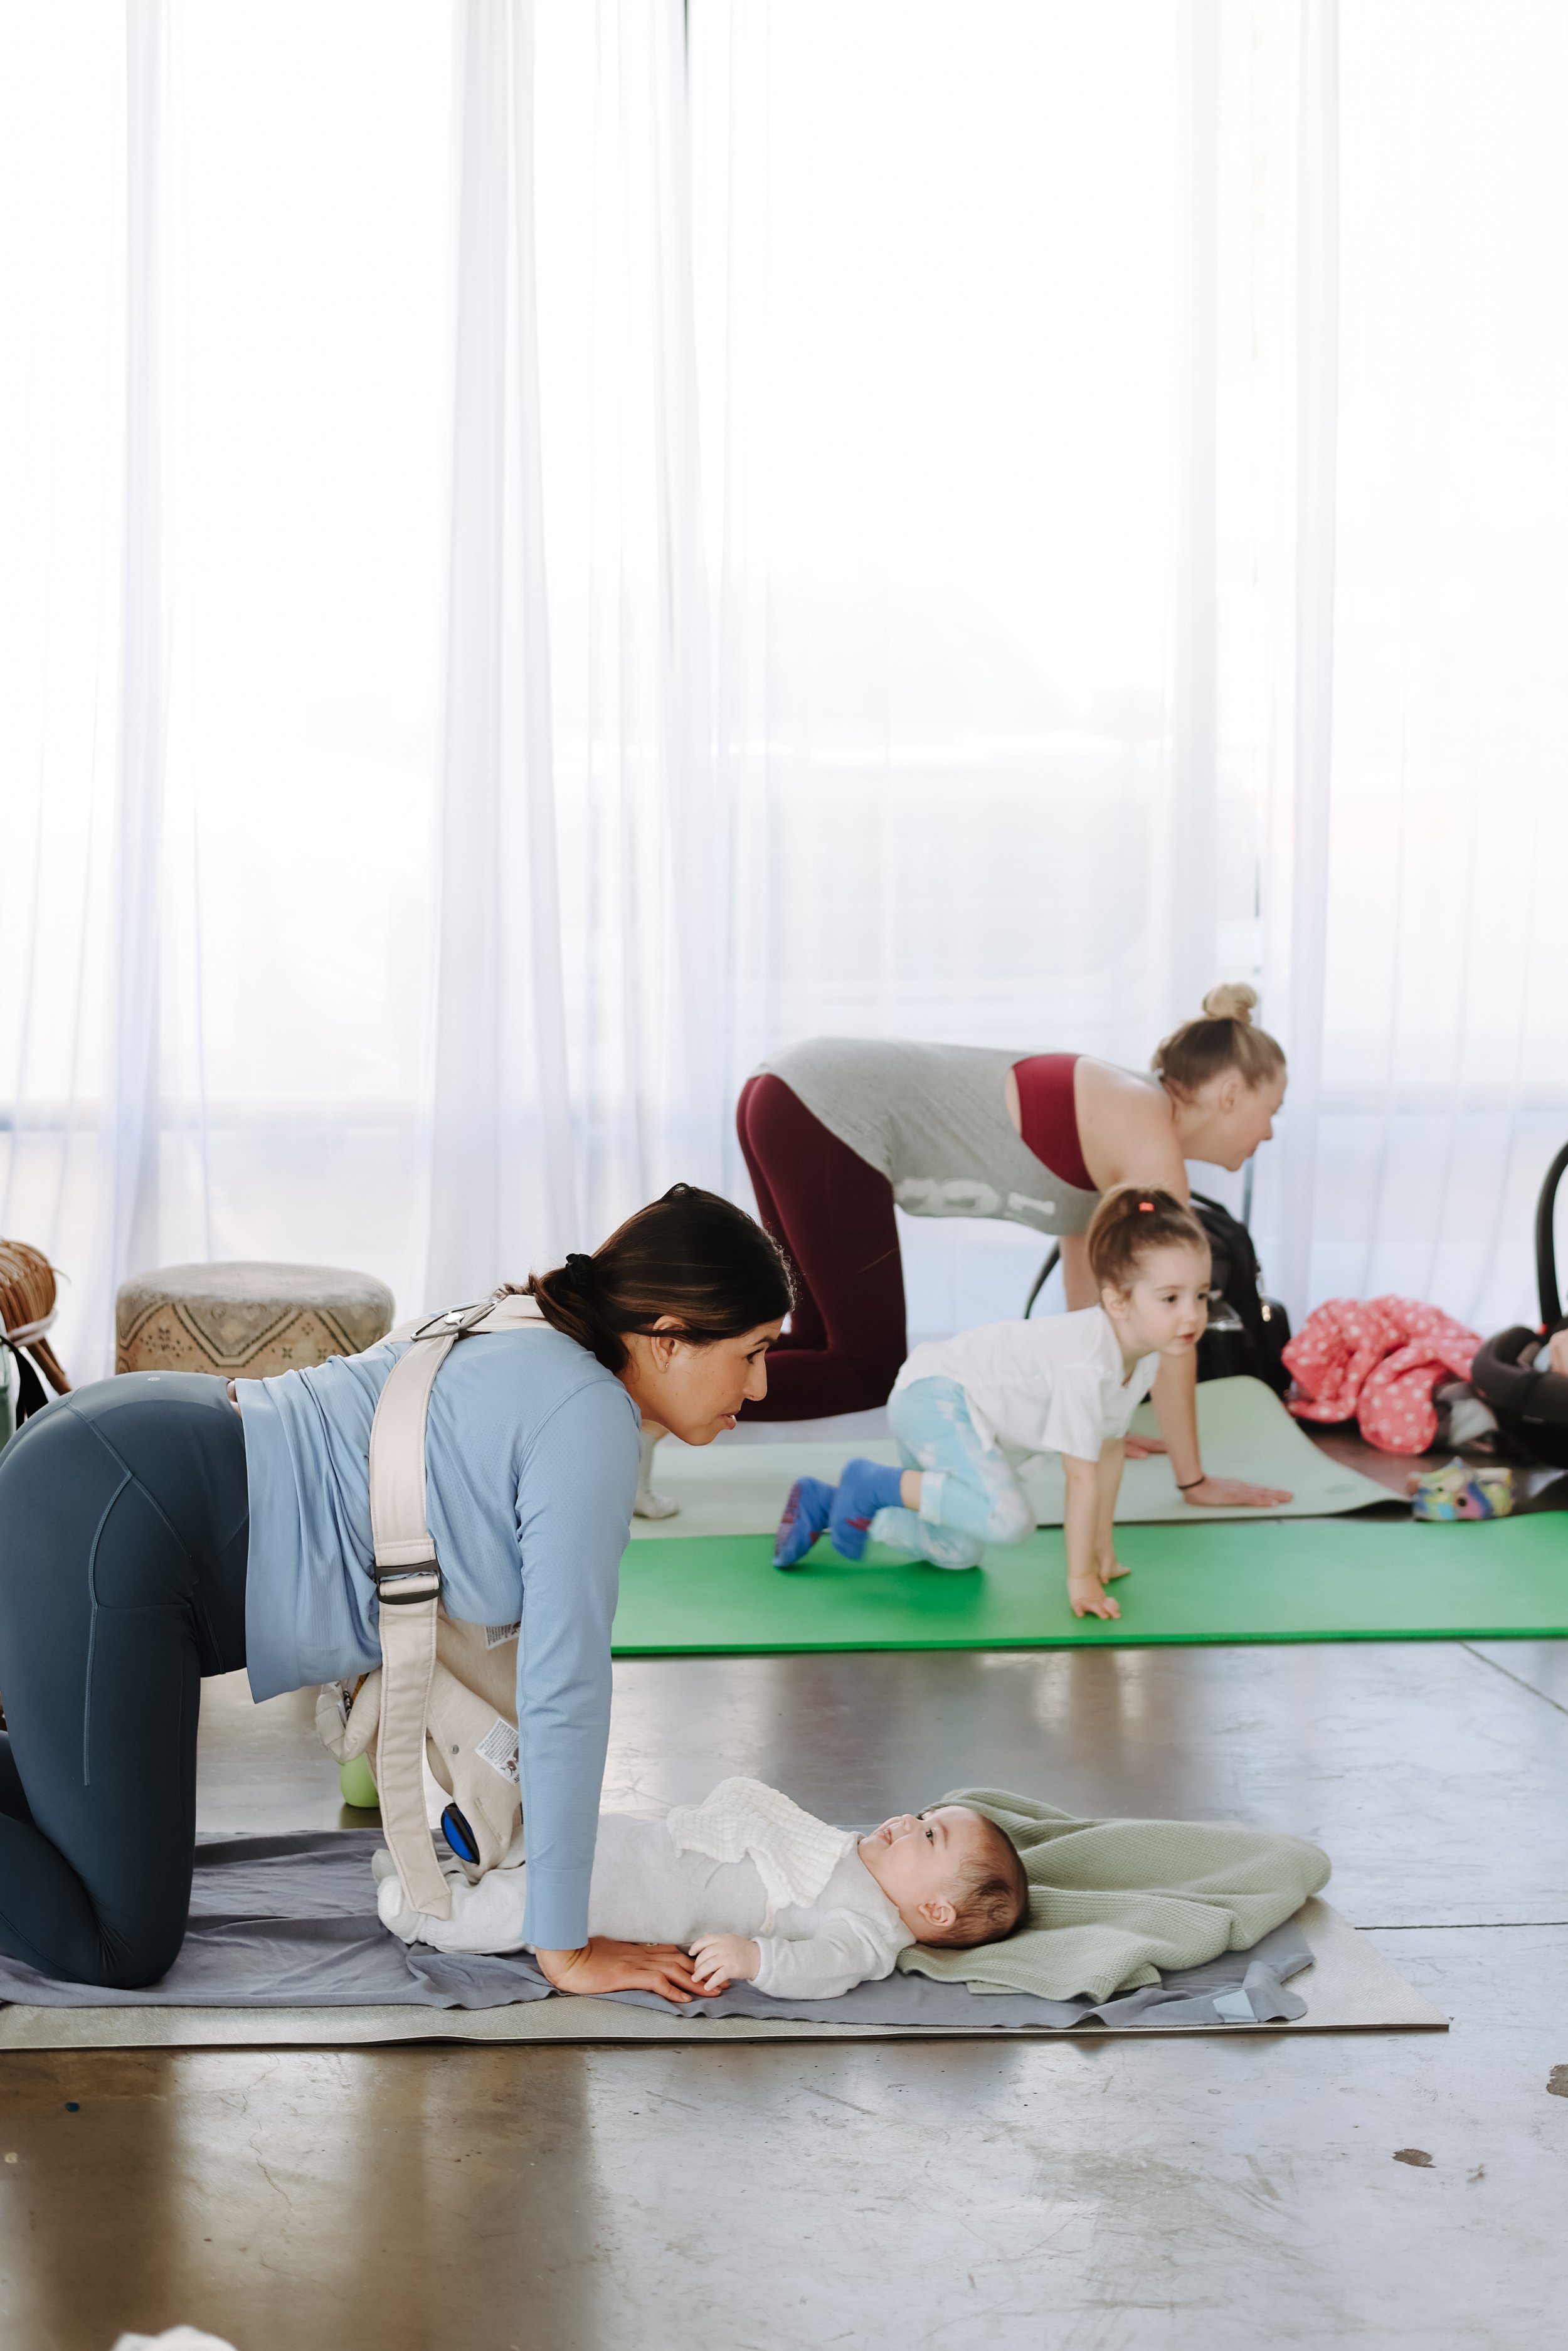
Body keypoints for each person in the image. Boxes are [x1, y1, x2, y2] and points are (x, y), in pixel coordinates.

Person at [0, 1185, 790, 1992]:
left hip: (123, 1472)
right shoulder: (590, 1420)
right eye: (753, 1351)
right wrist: (567, 1946)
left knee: (82, 1815)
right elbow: (565, 1689)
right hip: (114, 1517)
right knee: (121, 1944)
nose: (759, 1388)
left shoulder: (534, 1327)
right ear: (668, 1339)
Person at [735, 982, 1292, 1512]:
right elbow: (1175, 1322)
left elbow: (1094, 1328)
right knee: (867, 1366)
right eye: (1272, 1110)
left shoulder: (1122, 1125)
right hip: (823, 1105)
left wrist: (1101, 1421)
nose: (1269, 1134)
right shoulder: (1145, 1132)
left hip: (787, 1093)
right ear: (1230, 1094)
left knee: (817, 1341)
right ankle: (664, 1401)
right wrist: (1193, 1480)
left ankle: (667, 1395)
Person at [773, 1187, 1214, 1621]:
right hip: (935, 1397)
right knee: (1010, 1520)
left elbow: (1110, 1454)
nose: (1192, 1315)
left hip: (952, 1410)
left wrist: (1103, 1553)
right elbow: (1081, 1478)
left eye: (1201, 1296)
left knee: (956, 1551)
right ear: (1118, 1300)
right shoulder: (1087, 1365)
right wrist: (1081, 1579)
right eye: (1171, 1298)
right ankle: (871, 1484)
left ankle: (829, 1503)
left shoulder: (1144, 1358)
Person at [375, 1775, 1029, 2000]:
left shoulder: (870, 1927)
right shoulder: (858, 1851)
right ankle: (487, 1846)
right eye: (925, 1814)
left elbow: (826, 1970)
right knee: (552, 1835)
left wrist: (757, 1958)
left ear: (936, 1908)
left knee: (524, 1910)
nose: (909, 1821)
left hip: (639, 1897)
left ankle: (423, 1911)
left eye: (930, 1835)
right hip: (652, 1844)